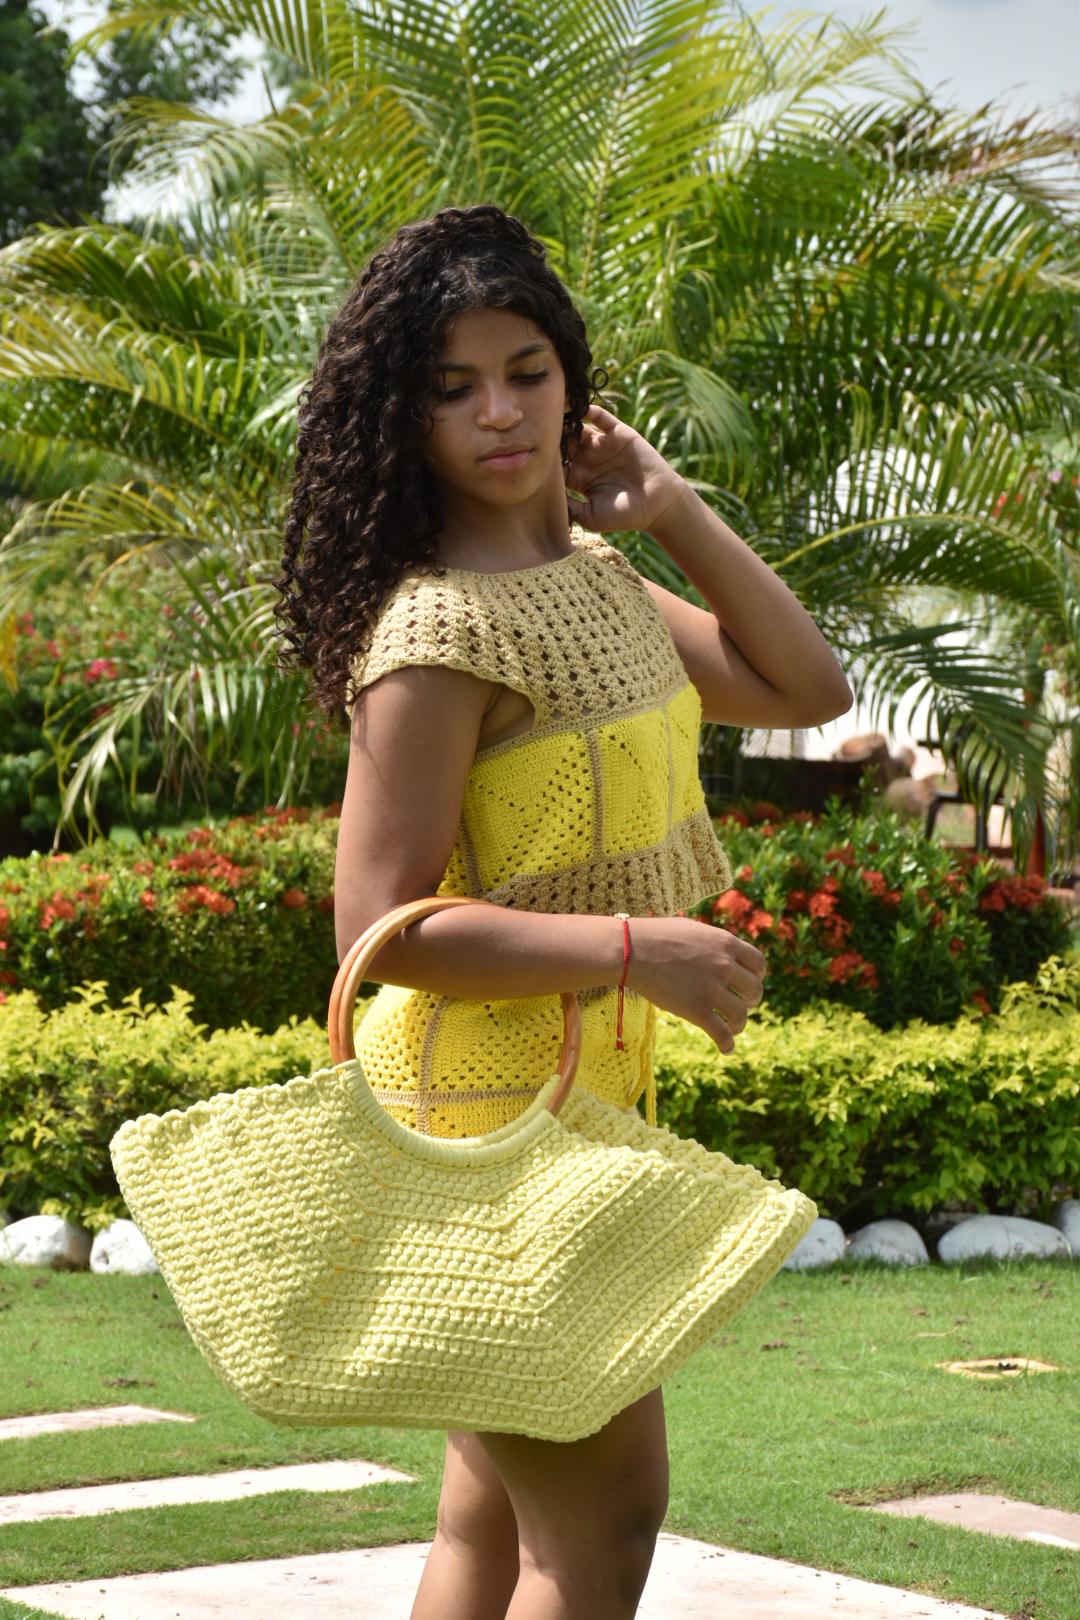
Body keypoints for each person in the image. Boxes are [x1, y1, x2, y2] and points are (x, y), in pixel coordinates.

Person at [273, 203, 852, 1620]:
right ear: (401, 418)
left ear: (574, 386)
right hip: (488, 1116)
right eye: (452, 387)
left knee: (489, 1519)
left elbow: (807, 688)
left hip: (580, 1095)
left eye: (526, 372)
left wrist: (673, 511)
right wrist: (633, 949)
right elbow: (376, 927)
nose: (499, 412)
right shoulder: (434, 633)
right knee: (603, 1520)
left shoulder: (598, 584)